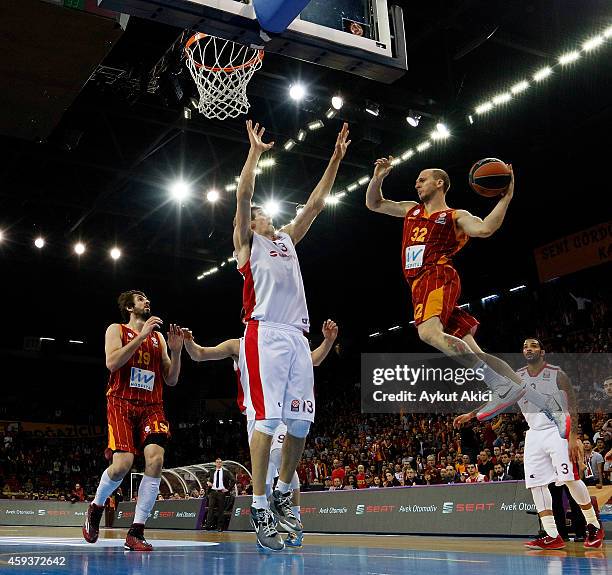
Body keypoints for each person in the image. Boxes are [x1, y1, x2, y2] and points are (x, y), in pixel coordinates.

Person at [365, 160, 568, 435]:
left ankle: (499, 385)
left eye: (422, 179)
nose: (417, 183)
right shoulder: (410, 210)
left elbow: (485, 228)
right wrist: (377, 178)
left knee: (428, 334)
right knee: (476, 352)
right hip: (420, 285)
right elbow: (374, 204)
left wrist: (506, 197)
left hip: (436, 275)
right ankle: (549, 406)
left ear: (440, 183)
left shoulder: (454, 216)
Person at [231, 119, 349, 551]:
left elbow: (316, 205)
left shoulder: (287, 240)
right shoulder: (247, 245)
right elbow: (243, 195)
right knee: (267, 419)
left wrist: (335, 160)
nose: (266, 215)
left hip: (298, 338)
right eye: (261, 214)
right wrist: (255, 154)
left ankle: (283, 493)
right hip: (264, 334)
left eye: (265, 213)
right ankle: (259, 504)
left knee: (301, 421)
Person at [182, 319, 338, 548]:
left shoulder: (285, 340)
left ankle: (295, 522)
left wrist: (328, 341)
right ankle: (265, 524)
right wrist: (188, 343)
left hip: (283, 411)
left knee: (282, 460)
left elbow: (311, 361)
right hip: (256, 415)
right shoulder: (239, 344)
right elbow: (200, 354)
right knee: (263, 482)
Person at [454, 338, 604, 549]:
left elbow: (572, 403)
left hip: (556, 430)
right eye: (525, 346)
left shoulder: (556, 374)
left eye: (533, 346)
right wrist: (472, 414)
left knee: (570, 478)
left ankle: (594, 526)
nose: (528, 349)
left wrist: (573, 437)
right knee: (536, 484)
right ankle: (553, 535)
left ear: (542, 352)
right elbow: (499, 397)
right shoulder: (517, 377)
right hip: (534, 434)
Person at [83, 290, 184, 551]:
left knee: (156, 460)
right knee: (122, 465)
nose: (147, 301)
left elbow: (171, 379)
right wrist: (140, 336)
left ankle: (136, 531)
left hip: (152, 405)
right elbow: (112, 363)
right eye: (141, 299)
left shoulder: (159, 337)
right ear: (129, 307)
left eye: (147, 298)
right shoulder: (116, 330)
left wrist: (176, 352)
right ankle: (96, 507)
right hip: (120, 402)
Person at [205, 458, 235, 531]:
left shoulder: (226, 472)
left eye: (220, 462)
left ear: (221, 464)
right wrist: (207, 482)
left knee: (221, 510)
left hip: (221, 492)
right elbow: (205, 476)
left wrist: (228, 489)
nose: (218, 463)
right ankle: (208, 525)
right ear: (215, 463)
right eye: (217, 462)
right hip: (212, 492)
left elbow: (233, 480)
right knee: (210, 509)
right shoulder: (212, 471)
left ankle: (220, 527)